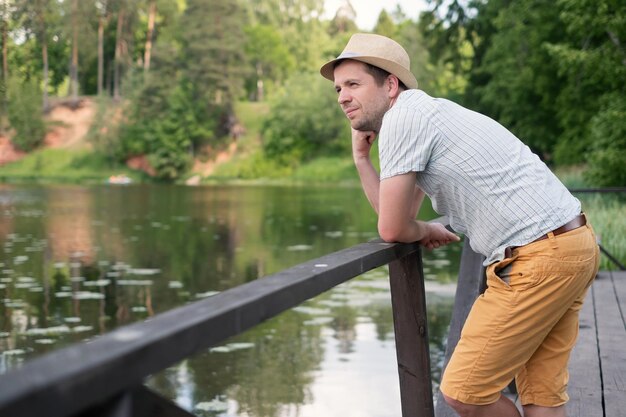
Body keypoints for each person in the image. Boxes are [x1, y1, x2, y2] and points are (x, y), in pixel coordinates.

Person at [320, 33, 600, 417]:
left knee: (465, 392)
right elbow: (393, 213)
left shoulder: (404, 117)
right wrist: (361, 160)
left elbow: (392, 229)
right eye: (338, 88)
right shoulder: (422, 115)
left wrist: (424, 230)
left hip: (538, 257)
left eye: (353, 84)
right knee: (542, 396)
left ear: (390, 84)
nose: (342, 97)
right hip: (572, 242)